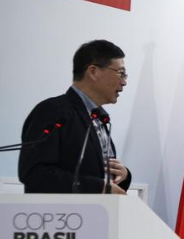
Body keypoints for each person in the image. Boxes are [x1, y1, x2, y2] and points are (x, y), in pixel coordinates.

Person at [18, 39, 131, 194]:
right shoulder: (53, 111)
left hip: (100, 209)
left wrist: (123, 175)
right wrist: (97, 188)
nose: (124, 82)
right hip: (62, 210)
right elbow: (35, 174)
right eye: (120, 73)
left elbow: (99, 177)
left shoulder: (99, 118)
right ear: (93, 72)